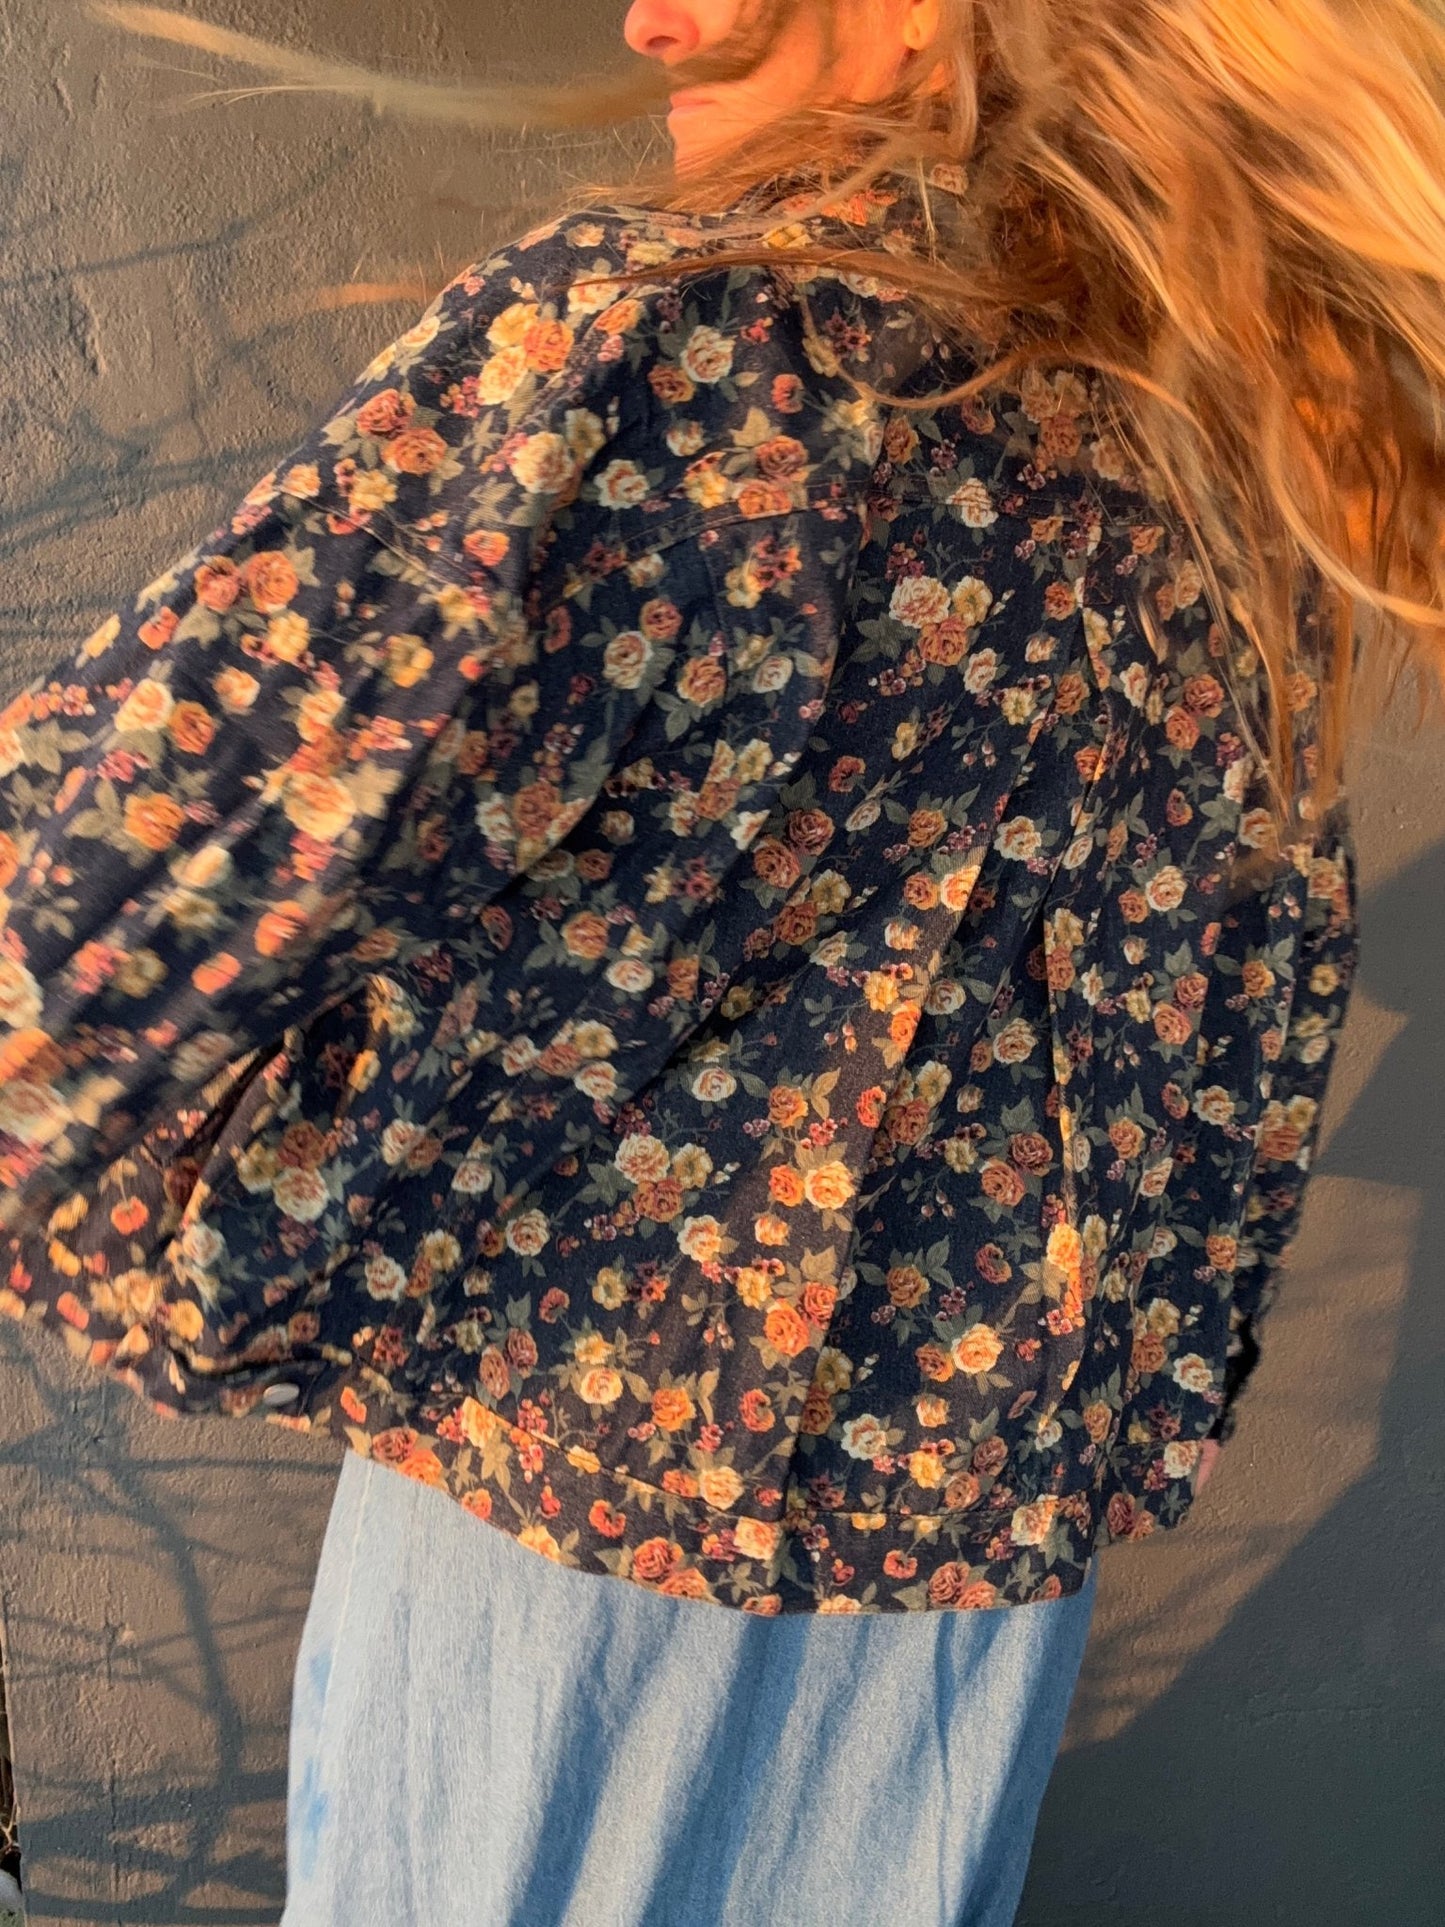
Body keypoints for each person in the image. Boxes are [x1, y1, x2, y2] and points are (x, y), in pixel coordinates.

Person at [2, 0, 1442, 1918]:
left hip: (581, 1515)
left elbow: (150, 868)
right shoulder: (1215, 447)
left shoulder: (699, 338)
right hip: (966, 1550)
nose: (647, 20)